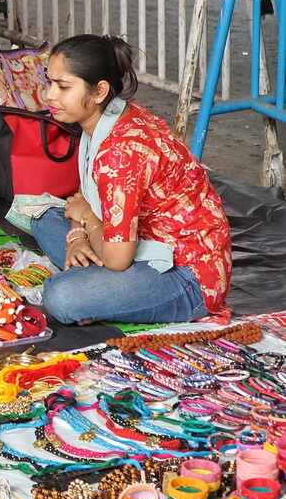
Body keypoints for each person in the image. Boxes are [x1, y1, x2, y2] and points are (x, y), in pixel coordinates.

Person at [31, 34, 232, 325]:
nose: (50, 95)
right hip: (130, 242)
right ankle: (101, 289)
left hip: (186, 275)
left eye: (63, 86)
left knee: (60, 296)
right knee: (43, 217)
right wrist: (76, 237)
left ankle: (96, 292)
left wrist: (87, 220)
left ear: (99, 91)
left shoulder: (120, 153)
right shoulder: (107, 118)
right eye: (49, 82)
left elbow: (116, 259)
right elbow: (84, 198)